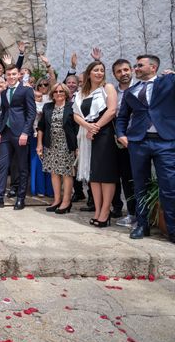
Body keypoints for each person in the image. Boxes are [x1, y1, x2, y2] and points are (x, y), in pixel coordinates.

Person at [117, 55, 175, 242]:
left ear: (154, 67)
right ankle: (142, 225)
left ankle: (172, 229)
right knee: (140, 185)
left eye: (140, 65)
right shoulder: (131, 91)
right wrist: (121, 134)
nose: (136, 68)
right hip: (138, 142)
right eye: (136, 65)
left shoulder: (168, 81)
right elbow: (122, 117)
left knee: (169, 186)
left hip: (165, 142)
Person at [0, 65, 36, 211]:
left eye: (14, 74)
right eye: (9, 74)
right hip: (5, 132)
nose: (11, 76)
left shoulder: (26, 90)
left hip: (20, 133)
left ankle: (20, 198)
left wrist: (26, 132)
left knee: (22, 166)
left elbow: (31, 114)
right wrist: (0, 130)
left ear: (19, 75)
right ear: (6, 76)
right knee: (2, 165)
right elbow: (5, 112)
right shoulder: (4, 92)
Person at [73, 61, 118, 227]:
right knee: (94, 176)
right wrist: (87, 127)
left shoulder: (108, 88)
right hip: (87, 134)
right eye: (95, 70)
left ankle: (106, 212)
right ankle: (98, 210)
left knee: (105, 175)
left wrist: (96, 127)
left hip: (104, 133)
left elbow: (112, 110)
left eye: (102, 70)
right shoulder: (82, 92)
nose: (99, 73)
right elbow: (75, 114)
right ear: (89, 73)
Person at [36, 83, 78, 214]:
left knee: (67, 173)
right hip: (51, 144)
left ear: (66, 93)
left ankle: (66, 202)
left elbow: (77, 128)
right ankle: (57, 200)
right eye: (55, 92)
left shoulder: (72, 107)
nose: (58, 93)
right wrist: (39, 144)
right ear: (52, 94)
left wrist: (77, 147)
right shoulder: (48, 107)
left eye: (61, 91)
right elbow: (41, 127)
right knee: (54, 173)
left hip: (67, 144)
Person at [111, 59, 136, 226]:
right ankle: (132, 213)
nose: (123, 73)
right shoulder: (112, 92)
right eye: (119, 71)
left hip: (140, 140)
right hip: (120, 141)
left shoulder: (141, 87)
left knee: (140, 178)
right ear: (114, 75)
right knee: (126, 178)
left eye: (126, 69)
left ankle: (144, 214)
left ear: (132, 70)